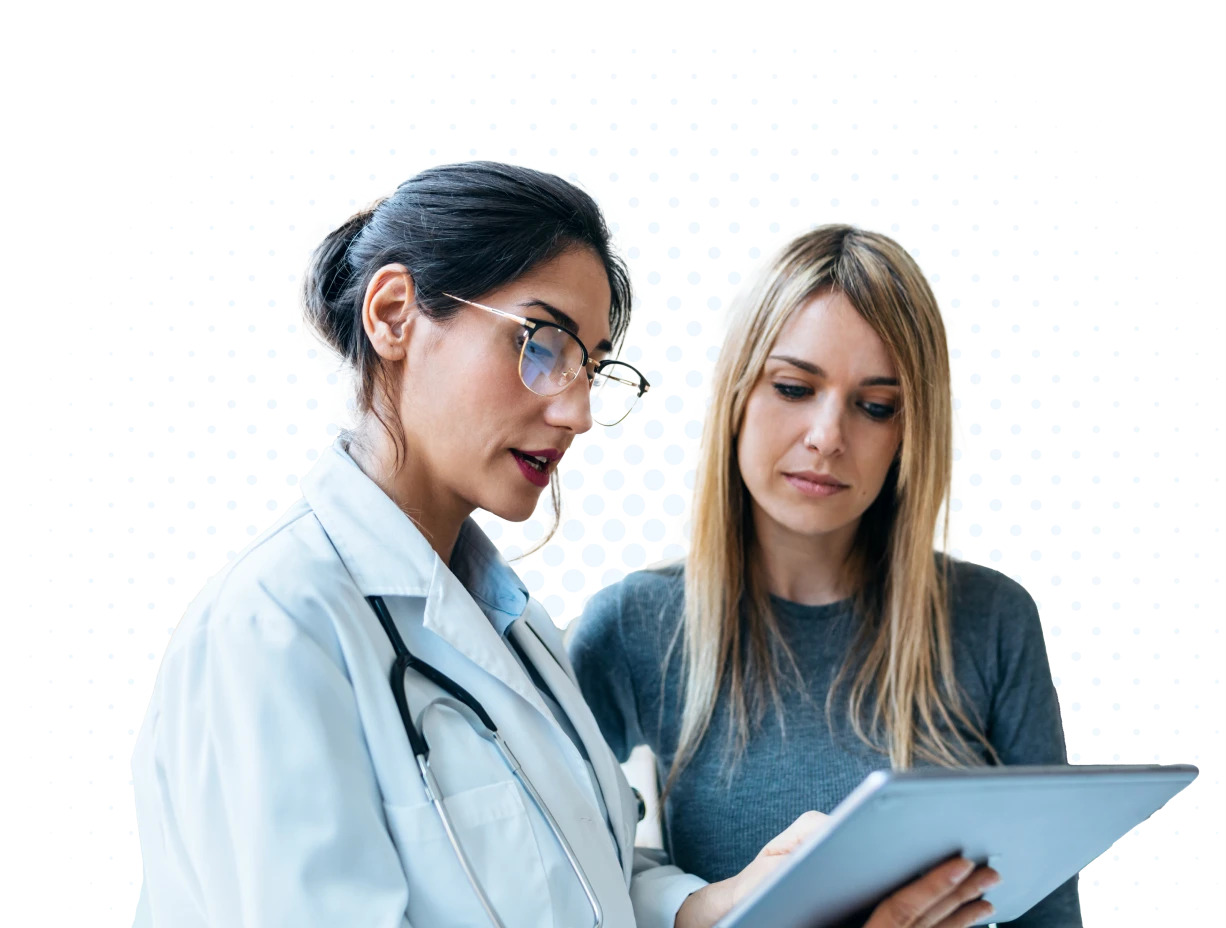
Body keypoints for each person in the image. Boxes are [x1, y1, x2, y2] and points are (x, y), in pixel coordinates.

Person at [131, 163, 999, 928]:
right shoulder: (277, 631)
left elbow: (596, 882)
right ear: (394, 313)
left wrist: (724, 906)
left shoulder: (514, 630)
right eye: (540, 345)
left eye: (589, 364)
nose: (577, 411)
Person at [570, 222, 1082, 927]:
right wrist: (691, 910)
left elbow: (1047, 913)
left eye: (875, 406)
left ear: (910, 432)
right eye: (793, 386)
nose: (828, 436)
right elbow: (557, 876)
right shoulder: (635, 626)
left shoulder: (990, 619)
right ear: (738, 393)